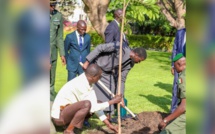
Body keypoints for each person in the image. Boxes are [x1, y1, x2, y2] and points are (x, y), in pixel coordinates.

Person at [83, 42, 147, 121]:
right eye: (139, 60)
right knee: (89, 94)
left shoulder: (130, 64)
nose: (139, 62)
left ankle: (108, 117)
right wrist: (87, 61)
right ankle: (84, 115)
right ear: (136, 55)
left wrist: (120, 97)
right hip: (97, 67)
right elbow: (100, 48)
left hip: (108, 73)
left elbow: (122, 79)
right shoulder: (119, 47)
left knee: (111, 92)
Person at [51, 64, 121, 134]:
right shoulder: (80, 84)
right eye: (99, 77)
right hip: (59, 117)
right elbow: (93, 107)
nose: (100, 79)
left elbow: (95, 106)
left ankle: (71, 126)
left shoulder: (88, 82)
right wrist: (112, 101)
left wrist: (109, 125)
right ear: (93, 77)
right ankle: (68, 130)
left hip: (66, 112)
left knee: (97, 102)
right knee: (86, 104)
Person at [159, 53, 186, 134]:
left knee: (167, 132)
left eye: (174, 66)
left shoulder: (184, 77)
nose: (173, 68)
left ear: (179, 64)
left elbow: (184, 106)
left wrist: (165, 120)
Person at [50, 0, 66, 101]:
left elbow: (59, 37)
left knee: (51, 78)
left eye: (54, 5)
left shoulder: (58, 16)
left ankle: (50, 101)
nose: (53, 7)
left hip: (53, 53)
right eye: (51, 5)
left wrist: (62, 54)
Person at [170, 28, 186, 113]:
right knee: (176, 86)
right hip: (179, 65)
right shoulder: (180, 32)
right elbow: (175, 49)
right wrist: (173, 65)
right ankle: (173, 111)